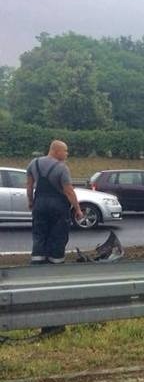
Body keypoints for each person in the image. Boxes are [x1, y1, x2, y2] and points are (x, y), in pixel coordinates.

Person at [26, 140, 83, 337]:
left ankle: (37, 267)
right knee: (57, 240)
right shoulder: (62, 168)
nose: (67, 154)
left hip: (40, 206)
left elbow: (29, 185)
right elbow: (68, 191)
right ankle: (55, 268)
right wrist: (77, 209)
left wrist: (31, 202)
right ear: (56, 151)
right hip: (58, 208)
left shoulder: (33, 164)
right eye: (66, 151)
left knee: (39, 236)